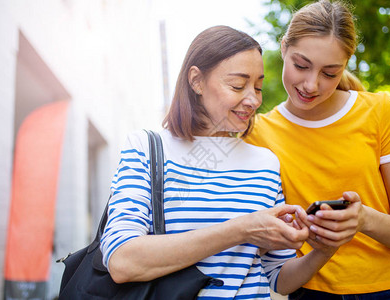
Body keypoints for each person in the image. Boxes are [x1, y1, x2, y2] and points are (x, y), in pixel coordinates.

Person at [100, 25, 338, 299]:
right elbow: (122, 262)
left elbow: (278, 278)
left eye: (258, 87)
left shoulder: (265, 162)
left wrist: (324, 250)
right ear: (196, 81)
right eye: (238, 85)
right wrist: (242, 230)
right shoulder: (146, 148)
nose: (253, 99)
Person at [244, 0, 390, 299]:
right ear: (283, 48)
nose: (311, 84)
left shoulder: (380, 111)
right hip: (312, 291)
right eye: (301, 66)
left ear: (345, 65)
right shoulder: (257, 133)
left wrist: (364, 219)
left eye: (330, 73)